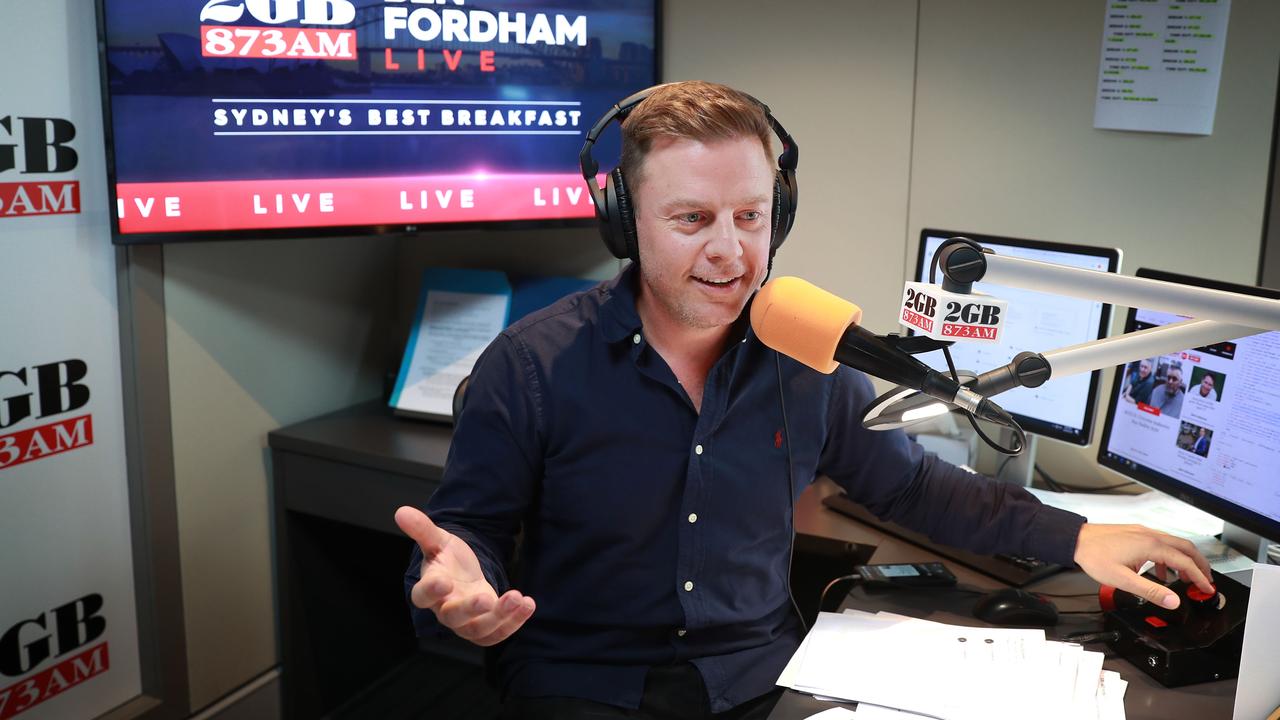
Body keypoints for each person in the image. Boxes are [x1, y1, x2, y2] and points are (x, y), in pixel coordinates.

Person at [394, 81, 1213, 719]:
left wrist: (1078, 533)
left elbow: (911, 487)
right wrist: (457, 582)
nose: (730, 249)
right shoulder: (530, 366)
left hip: (761, 677)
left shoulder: (805, 355)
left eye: (751, 216)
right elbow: (469, 535)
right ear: (624, 221)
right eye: (691, 218)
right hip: (585, 684)